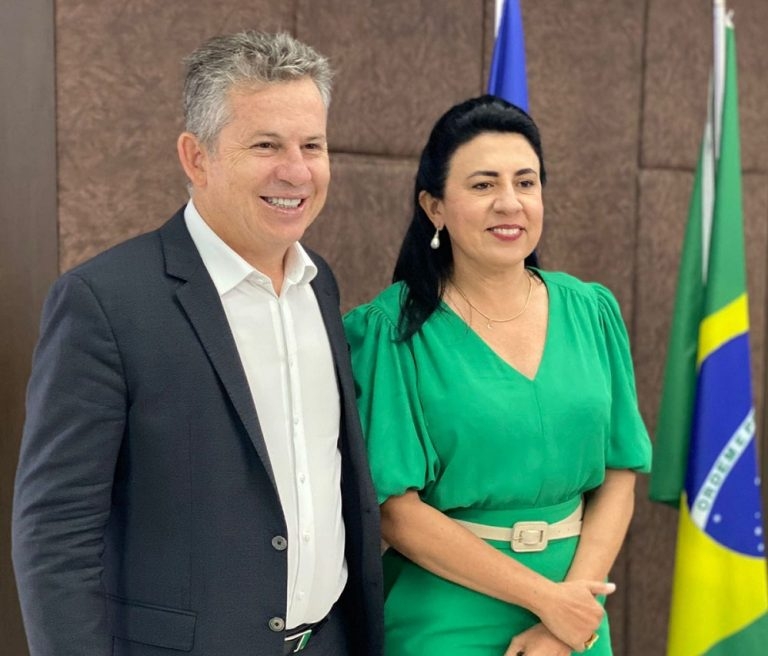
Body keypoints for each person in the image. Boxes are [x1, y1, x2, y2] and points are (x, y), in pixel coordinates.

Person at [13, 31, 383, 656]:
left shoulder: (318, 284)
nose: (297, 171)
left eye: (312, 145)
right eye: (265, 145)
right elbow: (55, 534)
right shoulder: (104, 302)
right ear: (196, 157)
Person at [343, 95, 652, 656]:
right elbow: (394, 511)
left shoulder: (592, 311)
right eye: (484, 184)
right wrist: (546, 601)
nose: (509, 202)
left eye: (525, 182)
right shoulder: (389, 332)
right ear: (435, 207)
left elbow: (620, 473)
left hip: (578, 608)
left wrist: (567, 616)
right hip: (446, 614)